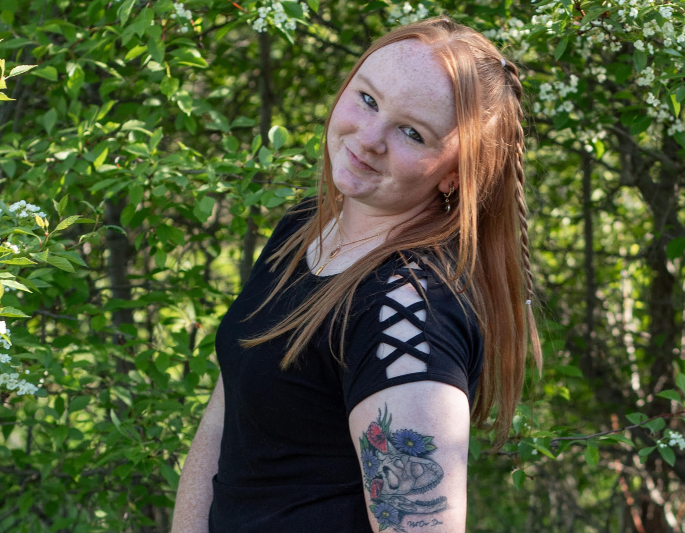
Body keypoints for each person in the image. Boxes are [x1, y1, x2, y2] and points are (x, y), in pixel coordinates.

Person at [171, 15, 542, 533]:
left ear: (455, 176)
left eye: (412, 132)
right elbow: (226, 417)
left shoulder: (406, 315)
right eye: (368, 99)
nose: (369, 138)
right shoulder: (307, 227)